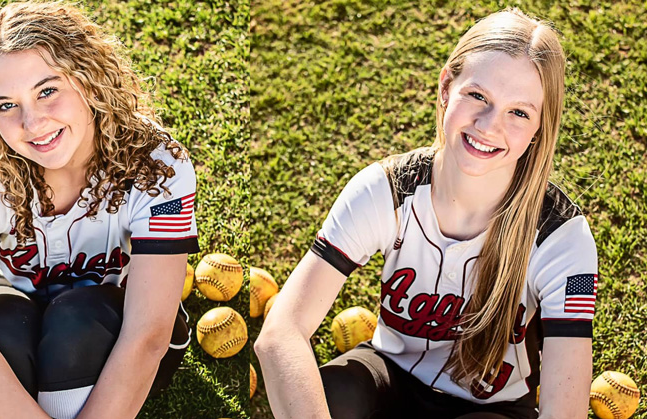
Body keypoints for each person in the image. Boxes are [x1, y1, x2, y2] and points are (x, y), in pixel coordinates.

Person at [255, 8, 596, 419]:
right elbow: (280, 334)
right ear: (446, 87)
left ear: (541, 126)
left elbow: (566, 412)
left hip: (494, 408)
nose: (489, 125)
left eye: (519, 112)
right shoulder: (385, 190)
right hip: (389, 375)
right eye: (478, 95)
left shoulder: (563, 238)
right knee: (335, 396)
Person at [0, 2, 199, 418]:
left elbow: (147, 335)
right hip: (22, 315)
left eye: (47, 91)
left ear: (88, 80)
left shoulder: (158, 164)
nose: (32, 123)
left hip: (110, 329)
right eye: (6, 105)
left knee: (76, 318)